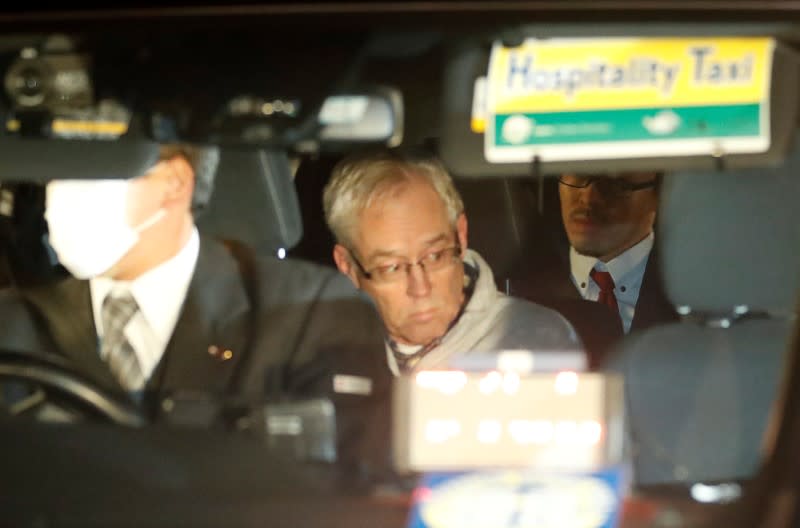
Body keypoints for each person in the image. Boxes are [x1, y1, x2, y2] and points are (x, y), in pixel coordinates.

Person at [0, 143, 390, 470]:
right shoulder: (13, 325)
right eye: (55, 173)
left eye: (89, 174)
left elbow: (347, 486)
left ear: (173, 183)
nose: (60, 199)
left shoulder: (311, 313)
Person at [322, 150, 580, 375]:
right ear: (347, 266)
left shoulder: (535, 344)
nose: (420, 288)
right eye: (392, 267)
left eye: (435, 255)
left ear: (461, 235)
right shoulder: (315, 357)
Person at [510, 172, 679, 365]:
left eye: (617, 184)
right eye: (577, 175)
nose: (588, 198)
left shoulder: (692, 298)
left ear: (660, 194)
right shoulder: (514, 301)